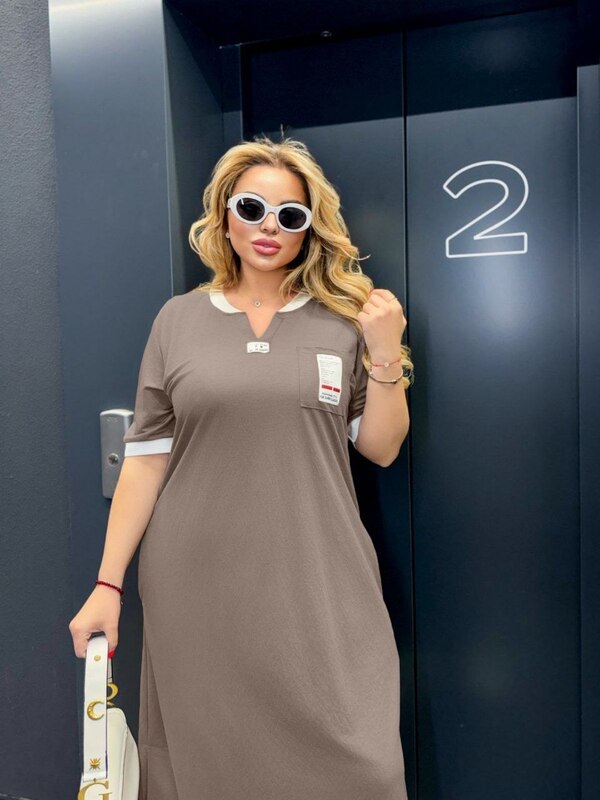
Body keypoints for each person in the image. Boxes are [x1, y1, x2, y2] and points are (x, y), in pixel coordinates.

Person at [69, 135, 414, 800]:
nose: (268, 227)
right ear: (224, 216)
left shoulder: (342, 322)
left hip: (318, 574)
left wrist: (385, 351)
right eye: (252, 208)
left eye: (290, 215)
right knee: (209, 762)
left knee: (361, 766)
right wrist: (108, 585)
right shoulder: (177, 321)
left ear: (310, 228)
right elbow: (145, 462)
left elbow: (381, 447)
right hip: (196, 584)